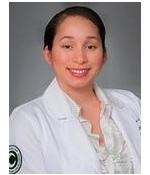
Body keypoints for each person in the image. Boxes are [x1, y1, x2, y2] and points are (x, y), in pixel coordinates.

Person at [9, 6, 141, 174]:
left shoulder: (132, 103)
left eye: (91, 46)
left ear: (104, 55)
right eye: (67, 46)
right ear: (48, 54)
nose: (80, 58)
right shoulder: (26, 121)